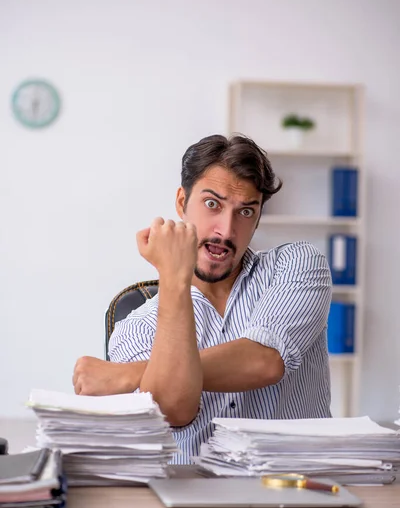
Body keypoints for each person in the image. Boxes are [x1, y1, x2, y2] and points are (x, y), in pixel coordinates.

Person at [73, 134, 332, 464]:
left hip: (298, 488)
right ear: (182, 203)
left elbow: (264, 361)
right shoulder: (136, 327)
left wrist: (133, 374)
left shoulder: (297, 265)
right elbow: (172, 407)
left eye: (246, 211)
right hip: (188, 502)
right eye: (213, 204)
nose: (226, 230)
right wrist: (173, 276)